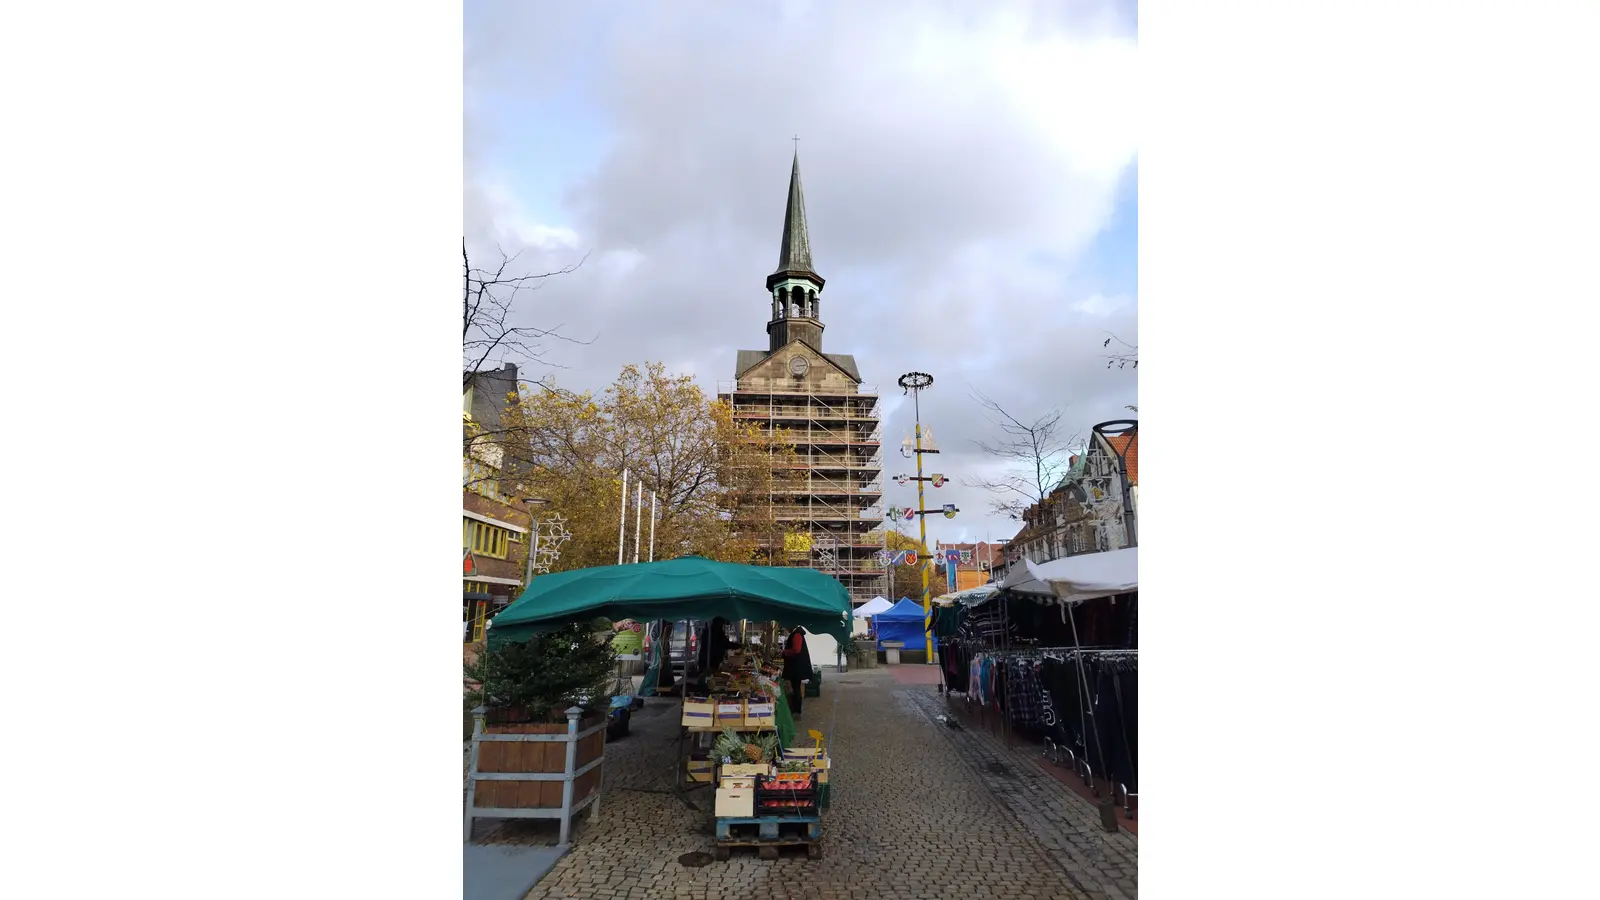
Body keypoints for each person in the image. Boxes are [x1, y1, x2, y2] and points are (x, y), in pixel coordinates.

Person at [781, 625, 811, 716]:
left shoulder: (797, 634)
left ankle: (796, 709)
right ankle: (795, 708)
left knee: (795, 688)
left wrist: (785, 652)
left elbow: (796, 649)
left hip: (796, 667)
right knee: (795, 687)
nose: (786, 628)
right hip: (796, 667)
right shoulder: (797, 634)